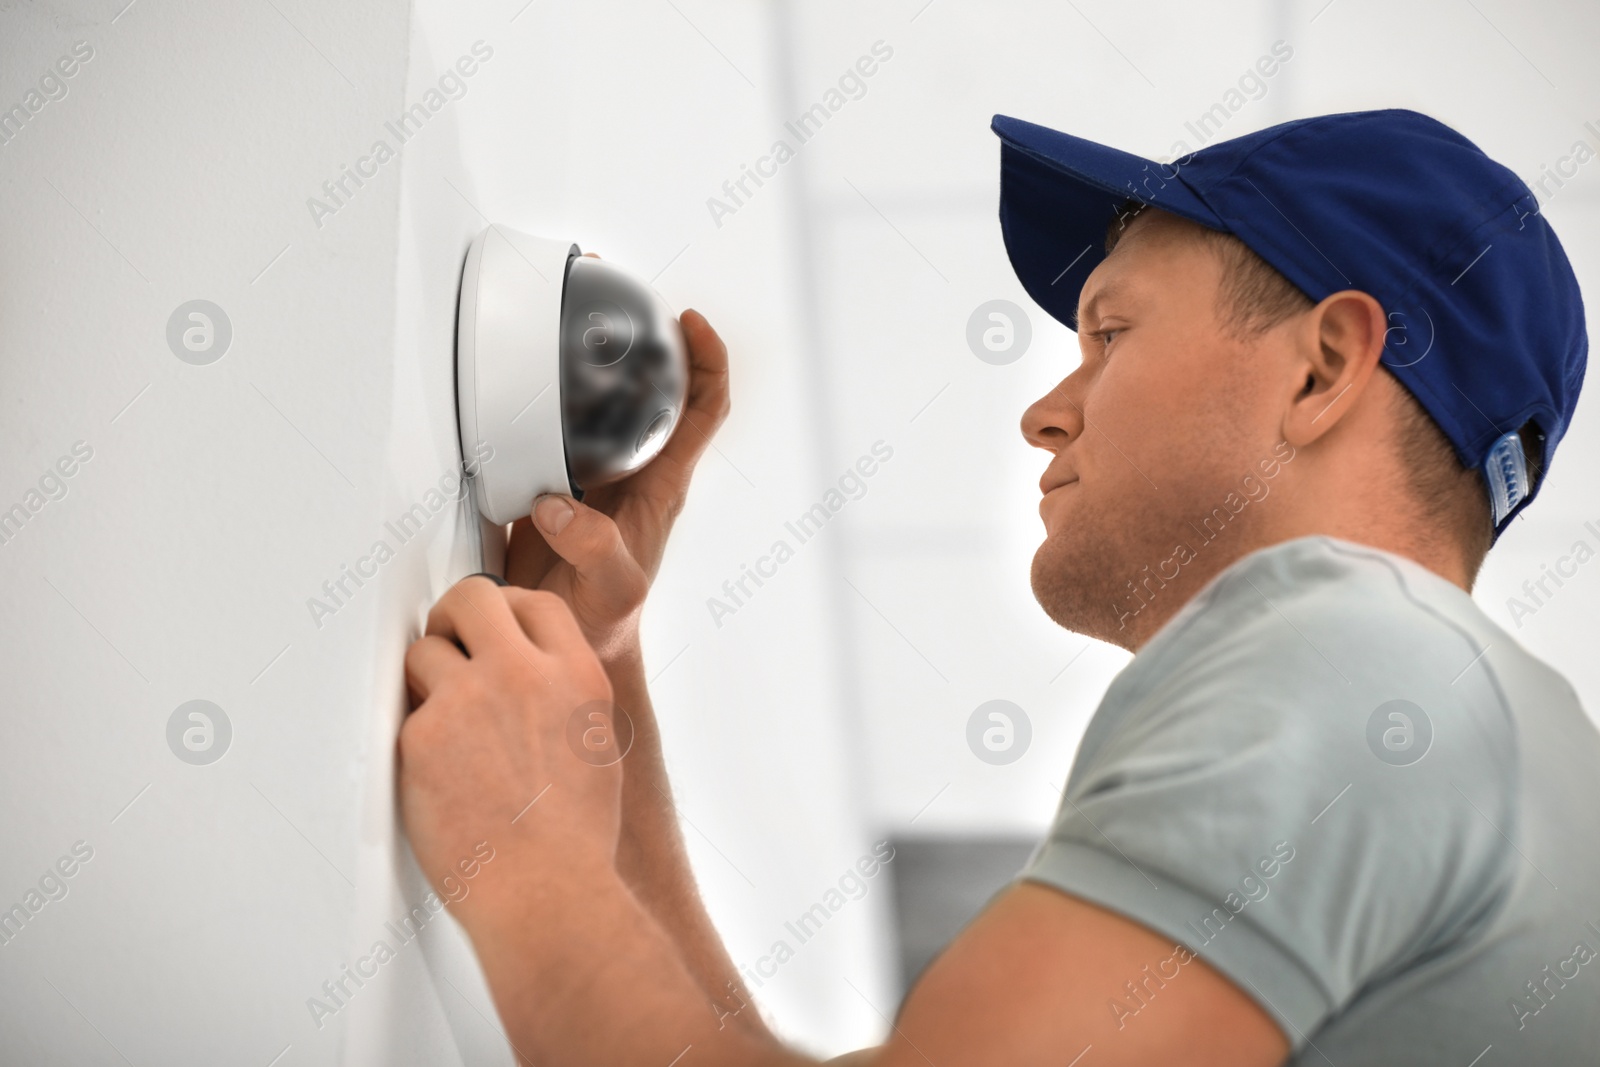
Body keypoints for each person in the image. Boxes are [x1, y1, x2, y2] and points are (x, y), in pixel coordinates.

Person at [396, 109, 1600, 1065]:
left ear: (1324, 367)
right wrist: (599, 671)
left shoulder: (1356, 655)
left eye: (1108, 335)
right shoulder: (1479, 730)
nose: (1044, 413)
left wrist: (520, 854)